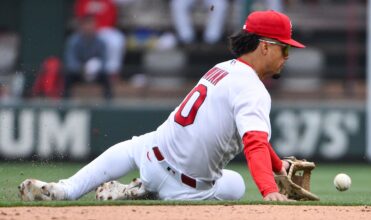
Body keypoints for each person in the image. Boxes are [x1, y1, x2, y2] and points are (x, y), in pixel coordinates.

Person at [19, 10, 305, 202]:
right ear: (265, 46)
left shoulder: (224, 68)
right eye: (285, 47)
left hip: (152, 151)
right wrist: (269, 190)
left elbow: (253, 136)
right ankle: (145, 191)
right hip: (185, 188)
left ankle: (67, 189)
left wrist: (279, 167)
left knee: (137, 147)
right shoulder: (253, 89)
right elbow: (254, 141)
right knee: (236, 187)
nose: (287, 55)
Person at [74, 0, 126, 82]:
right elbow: (80, 17)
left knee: (117, 39)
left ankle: (113, 73)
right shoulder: (83, 1)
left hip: (104, 30)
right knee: (91, 64)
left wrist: (98, 27)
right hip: (86, 31)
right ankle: (86, 76)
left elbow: (112, 18)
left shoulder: (108, 2)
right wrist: (89, 27)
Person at [64, 15, 113, 99]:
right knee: (68, 76)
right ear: (81, 27)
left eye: (92, 26)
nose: (89, 28)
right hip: (79, 72)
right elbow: (70, 61)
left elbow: (104, 61)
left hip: (96, 73)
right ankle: (66, 101)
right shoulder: (73, 41)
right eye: (87, 25)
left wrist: (95, 67)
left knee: (106, 77)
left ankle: (108, 103)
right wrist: (82, 68)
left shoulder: (101, 41)